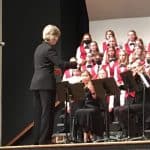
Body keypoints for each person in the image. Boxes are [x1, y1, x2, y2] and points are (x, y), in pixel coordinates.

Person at [30, 24, 75, 145]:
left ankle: (37, 140)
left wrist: (52, 69)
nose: (57, 39)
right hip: (46, 84)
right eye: (55, 36)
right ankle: (45, 139)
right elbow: (60, 63)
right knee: (47, 112)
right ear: (50, 35)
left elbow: (43, 65)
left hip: (35, 83)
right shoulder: (49, 48)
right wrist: (74, 64)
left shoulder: (39, 48)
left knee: (38, 113)